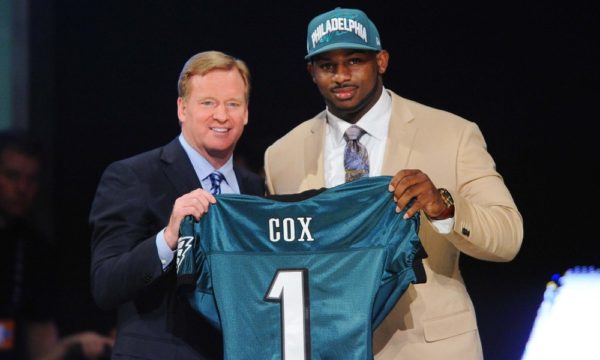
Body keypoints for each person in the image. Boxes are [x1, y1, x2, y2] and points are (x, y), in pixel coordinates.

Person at [263, 7, 523, 360]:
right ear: (311, 72)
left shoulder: (453, 134)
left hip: (429, 348)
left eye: (354, 60)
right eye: (327, 66)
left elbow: (508, 236)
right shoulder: (282, 156)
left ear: (381, 61)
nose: (341, 76)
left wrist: (443, 208)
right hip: (329, 347)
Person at [89, 50, 265, 359]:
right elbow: (105, 284)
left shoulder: (256, 188)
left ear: (246, 113)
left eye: (233, 104)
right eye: (208, 103)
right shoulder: (134, 176)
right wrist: (168, 238)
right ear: (182, 109)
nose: (222, 115)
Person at [0, 130, 114, 360]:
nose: (22, 188)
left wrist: (70, 346)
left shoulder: (34, 248)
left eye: (31, 180)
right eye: (12, 176)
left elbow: (39, 342)